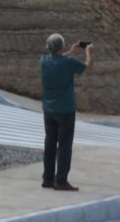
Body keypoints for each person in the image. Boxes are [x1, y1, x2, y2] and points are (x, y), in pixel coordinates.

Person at [39, 33, 92, 192]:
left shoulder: (44, 61)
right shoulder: (68, 63)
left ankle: (48, 179)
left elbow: (58, 59)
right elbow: (87, 67)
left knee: (50, 143)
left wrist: (71, 51)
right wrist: (88, 52)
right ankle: (61, 181)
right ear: (61, 48)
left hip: (48, 109)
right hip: (65, 110)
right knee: (64, 145)